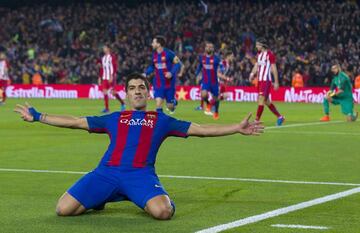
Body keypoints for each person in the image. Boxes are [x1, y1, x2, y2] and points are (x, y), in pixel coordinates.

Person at [14, 72, 264, 220]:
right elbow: (76, 122)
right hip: (107, 172)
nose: (137, 92)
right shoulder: (115, 118)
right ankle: (103, 197)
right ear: (126, 94)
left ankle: (132, 194)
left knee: (163, 213)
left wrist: (236, 127)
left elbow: (200, 129)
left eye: (141, 88)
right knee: (63, 210)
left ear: (147, 93)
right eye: (132, 88)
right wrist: (39, 116)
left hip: (140, 175)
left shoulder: (161, 120)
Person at [249, 38, 285, 126]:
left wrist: (276, 81)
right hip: (260, 81)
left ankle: (256, 120)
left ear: (262, 45)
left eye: (258, 45)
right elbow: (257, 65)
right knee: (266, 101)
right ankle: (280, 117)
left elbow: (274, 68)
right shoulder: (259, 54)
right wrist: (252, 74)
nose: (256, 46)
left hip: (266, 81)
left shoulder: (269, 55)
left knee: (261, 99)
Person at [145, 35, 181, 114]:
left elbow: (178, 64)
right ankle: (160, 122)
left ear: (159, 44)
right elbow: (152, 66)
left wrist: (171, 73)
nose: (152, 44)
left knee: (170, 107)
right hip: (158, 83)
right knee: (158, 103)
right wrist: (145, 73)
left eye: (153, 42)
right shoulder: (154, 55)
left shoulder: (169, 53)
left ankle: (173, 102)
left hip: (169, 84)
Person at [194, 41, 222, 120]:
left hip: (214, 82)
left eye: (210, 47)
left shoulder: (216, 59)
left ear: (213, 49)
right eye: (207, 47)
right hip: (205, 81)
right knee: (203, 95)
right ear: (205, 48)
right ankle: (208, 104)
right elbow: (199, 67)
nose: (208, 48)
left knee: (216, 98)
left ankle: (216, 111)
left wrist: (222, 70)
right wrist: (196, 75)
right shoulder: (202, 58)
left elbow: (221, 67)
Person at [98, 44, 126, 113]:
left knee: (113, 93)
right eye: (103, 48)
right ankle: (107, 108)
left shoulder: (112, 57)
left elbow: (114, 67)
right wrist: (99, 77)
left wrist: (112, 76)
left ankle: (122, 103)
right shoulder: (103, 58)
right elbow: (102, 69)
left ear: (108, 48)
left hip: (111, 77)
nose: (103, 49)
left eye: (105, 48)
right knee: (104, 92)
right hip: (104, 77)